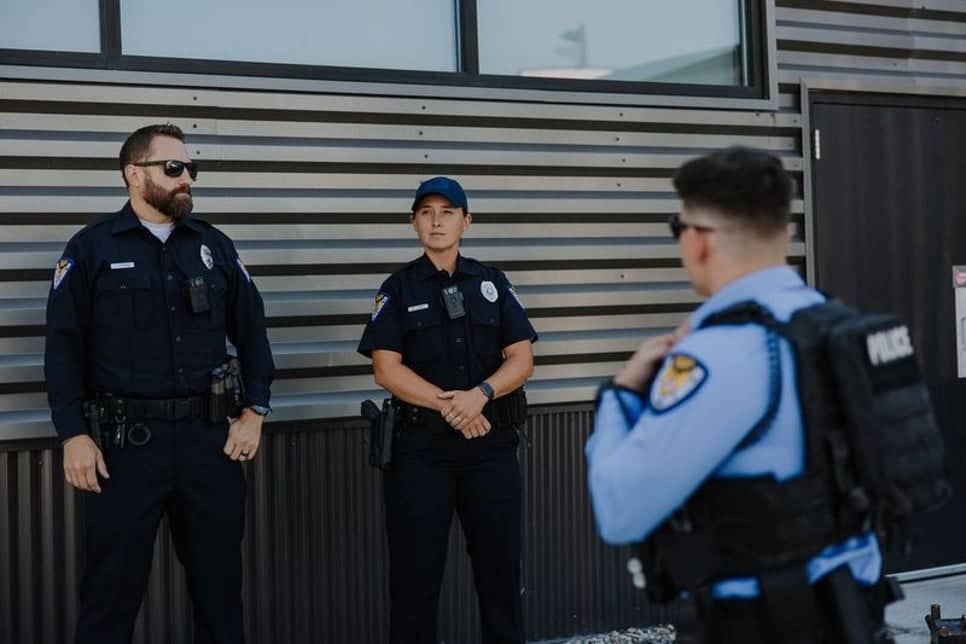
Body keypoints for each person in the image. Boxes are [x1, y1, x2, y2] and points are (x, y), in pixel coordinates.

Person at [585, 147, 903, 643]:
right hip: (856, 616)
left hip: (768, 624)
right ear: (786, 233)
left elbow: (619, 509)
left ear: (697, 241)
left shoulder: (719, 355)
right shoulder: (834, 325)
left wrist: (620, 394)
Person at [45, 123, 274, 644]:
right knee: (110, 597)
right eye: (174, 168)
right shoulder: (91, 248)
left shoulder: (213, 246)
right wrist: (72, 434)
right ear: (133, 174)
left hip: (208, 446)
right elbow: (62, 349)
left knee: (219, 595)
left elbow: (254, 333)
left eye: (191, 169)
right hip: (125, 450)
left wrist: (254, 412)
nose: (186, 178)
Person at [357, 176, 537, 644]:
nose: (437, 221)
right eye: (426, 212)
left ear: (467, 221)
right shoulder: (396, 288)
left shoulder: (493, 283)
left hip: (491, 448)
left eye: (448, 212)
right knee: (415, 582)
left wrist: (480, 393)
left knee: (500, 577)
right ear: (413, 223)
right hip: (421, 453)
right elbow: (386, 369)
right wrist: (453, 405)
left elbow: (521, 358)